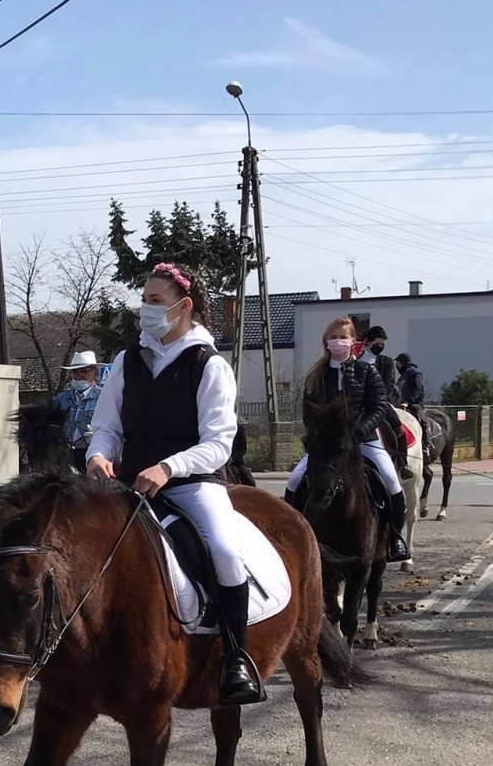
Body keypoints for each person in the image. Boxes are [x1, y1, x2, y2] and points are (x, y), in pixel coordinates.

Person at [85, 262, 266, 707]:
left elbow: (219, 443)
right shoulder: (129, 360)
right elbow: (106, 425)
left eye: (154, 302)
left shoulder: (209, 364)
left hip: (192, 483)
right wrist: (98, 454)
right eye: (144, 300)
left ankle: (236, 657)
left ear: (183, 307)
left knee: (224, 551)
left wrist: (168, 468)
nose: (144, 309)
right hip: (130, 484)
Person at [283, 316, 412, 563]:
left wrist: (359, 432)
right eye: (333, 337)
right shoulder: (317, 375)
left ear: (353, 341)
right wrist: (322, 437)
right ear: (326, 342)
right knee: (294, 480)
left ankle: (395, 537)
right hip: (329, 448)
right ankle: (294, 535)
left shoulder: (367, 371)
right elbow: (308, 411)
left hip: (364, 441)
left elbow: (379, 406)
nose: (338, 342)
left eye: (343, 337)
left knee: (391, 481)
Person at [360, 324, 409, 465]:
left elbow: (388, 384)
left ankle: (402, 461)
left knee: (397, 426)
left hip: (379, 403)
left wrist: (378, 399)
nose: (380, 347)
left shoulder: (386, 362)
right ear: (368, 342)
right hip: (357, 403)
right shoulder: (357, 360)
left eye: (383, 344)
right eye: (378, 343)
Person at [51, 351, 105, 473]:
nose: (79, 375)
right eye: (75, 372)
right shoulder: (61, 399)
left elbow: (114, 426)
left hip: (93, 455)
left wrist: (97, 437)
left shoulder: (104, 397)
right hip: (66, 455)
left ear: (95, 373)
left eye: (84, 371)